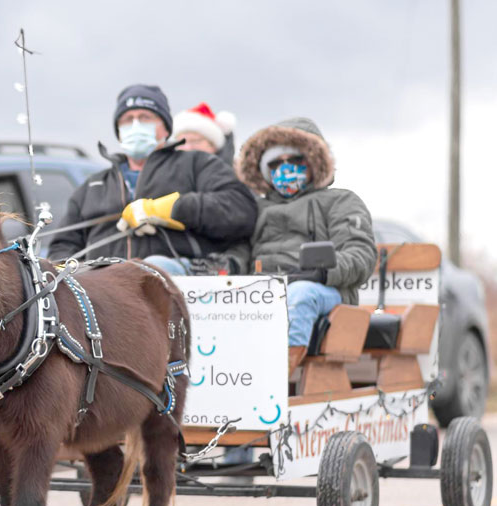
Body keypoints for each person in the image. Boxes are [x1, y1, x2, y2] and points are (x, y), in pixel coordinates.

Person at [47, 84, 257, 276]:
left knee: (153, 267)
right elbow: (63, 246)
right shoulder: (93, 186)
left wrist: (170, 209)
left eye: (145, 117)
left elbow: (241, 210)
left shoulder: (197, 164)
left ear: (166, 128)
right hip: (105, 292)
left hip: (179, 286)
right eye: (127, 119)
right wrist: (73, 272)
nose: (135, 125)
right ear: (118, 131)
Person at [235, 117, 377, 371]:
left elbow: (360, 253)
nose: (285, 168)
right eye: (276, 163)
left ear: (314, 161)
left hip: (324, 289)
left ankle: (279, 373)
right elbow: (238, 251)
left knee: (300, 295)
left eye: (295, 160)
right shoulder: (253, 209)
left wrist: (322, 271)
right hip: (262, 290)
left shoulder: (341, 201)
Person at [171, 102, 237, 165]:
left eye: (194, 141)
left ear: (213, 145)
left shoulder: (235, 172)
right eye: (181, 142)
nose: (187, 148)